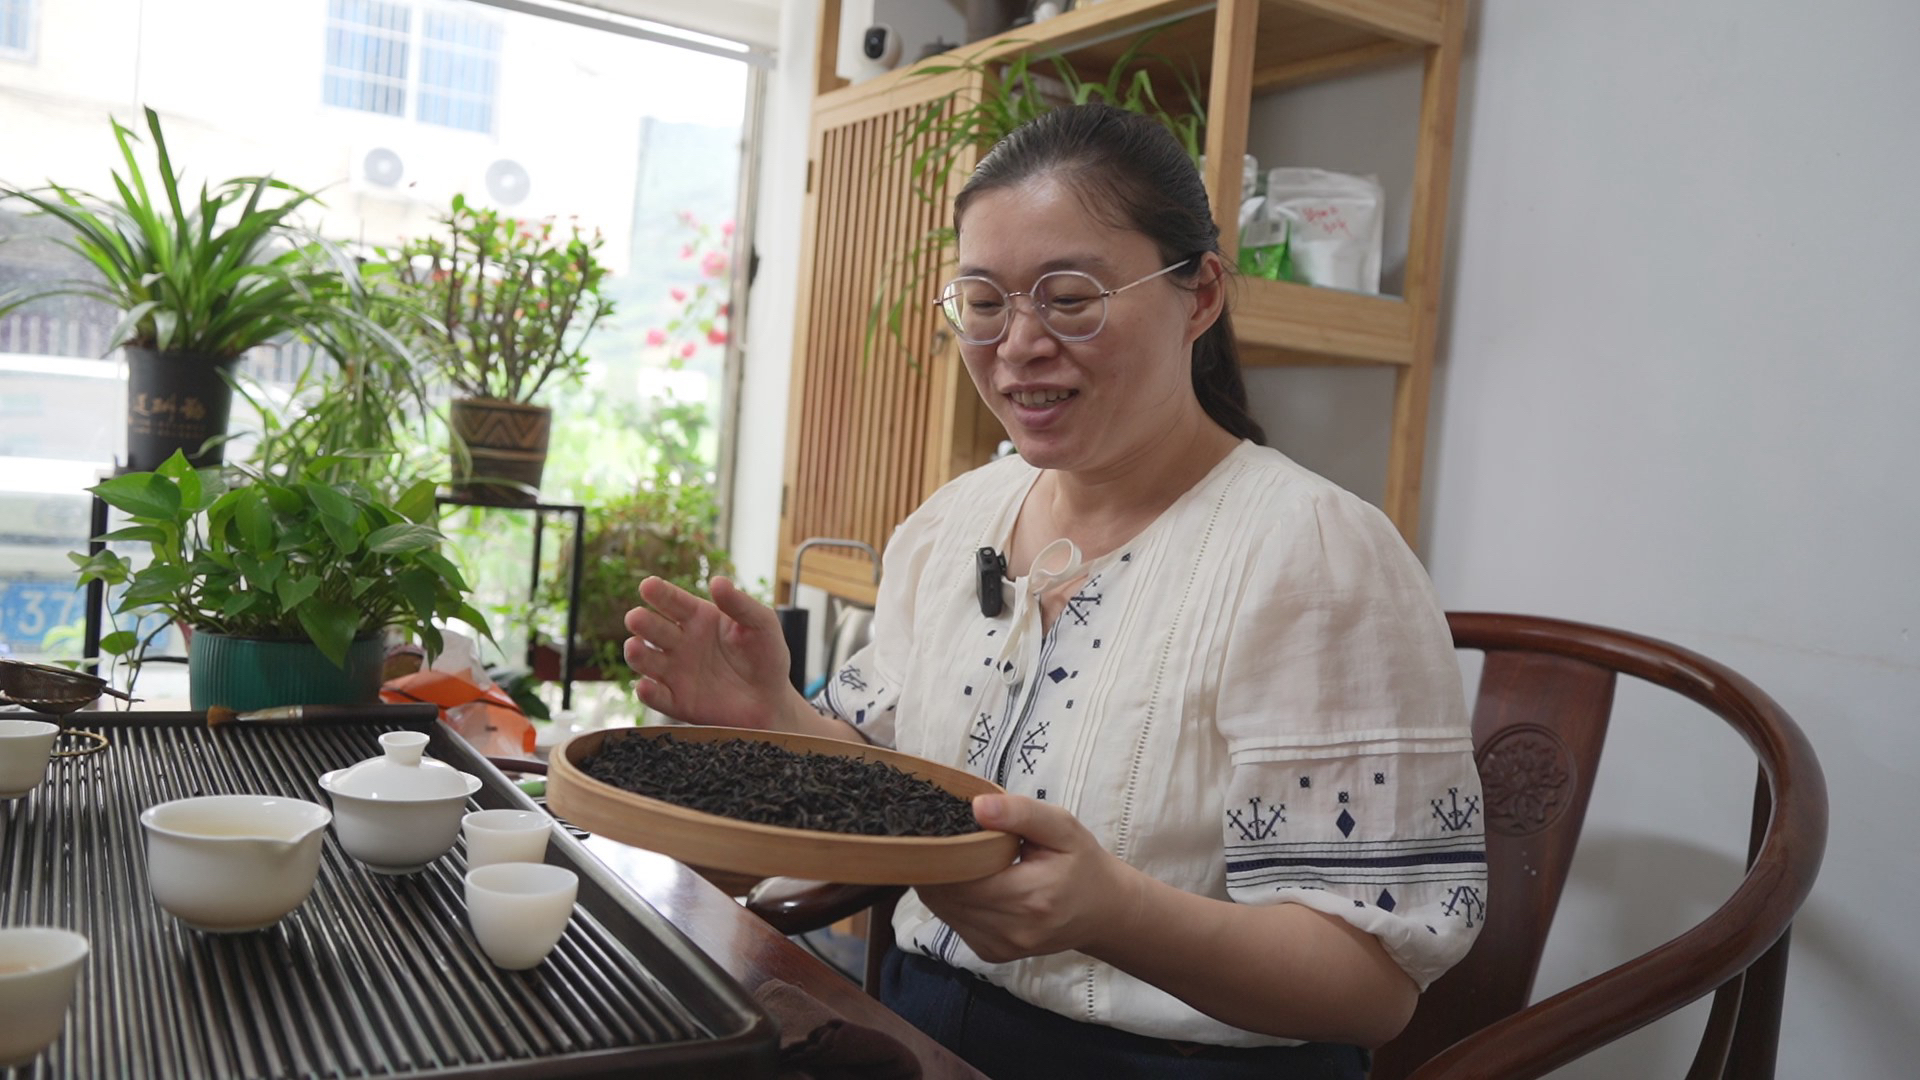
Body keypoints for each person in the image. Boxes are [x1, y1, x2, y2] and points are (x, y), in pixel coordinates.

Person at [624, 104, 1486, 1079]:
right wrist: (774, 713)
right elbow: (893, 793)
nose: (1019, 343)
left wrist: (1117, 913)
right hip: (916, 1036)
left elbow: (1370, 988)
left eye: (1070, 297)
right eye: (984, 302)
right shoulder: (956, 525)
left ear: (1199, 293)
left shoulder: (1317, 558)